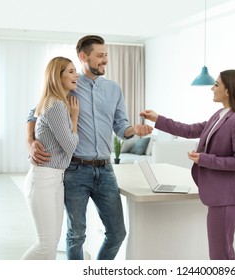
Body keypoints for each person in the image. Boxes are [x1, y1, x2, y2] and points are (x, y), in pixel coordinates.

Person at [27, 35, 153, 260]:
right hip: (75, 170)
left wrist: (134, 129)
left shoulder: (114, 89)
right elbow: (35, 111)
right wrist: (31, 141)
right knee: (76, 234)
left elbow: (121, 127)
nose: (105, 60)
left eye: (106, 55)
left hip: (105, 171)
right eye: (100, 56)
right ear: (83, 57)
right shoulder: (69, 83)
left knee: (117, 232)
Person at [142, 69, 235, 260]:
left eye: (217, 84)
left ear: (228, 91)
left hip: (226, 199)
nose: (212, 88)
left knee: (221, 255)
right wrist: (157, 119)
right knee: (221, 254)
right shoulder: (220, 115)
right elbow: (189, 129)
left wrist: (204, 159)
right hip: (219, 197)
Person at [21, 56, 80, 259]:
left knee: (51, 243)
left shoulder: (57, 103)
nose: (76, 75)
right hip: (44, 178)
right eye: (71, 71)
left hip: (56, 179)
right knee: (45, 245)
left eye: (75, 71)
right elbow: (70, 145)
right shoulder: (55, 105)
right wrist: (74, 118)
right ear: (57, 76)